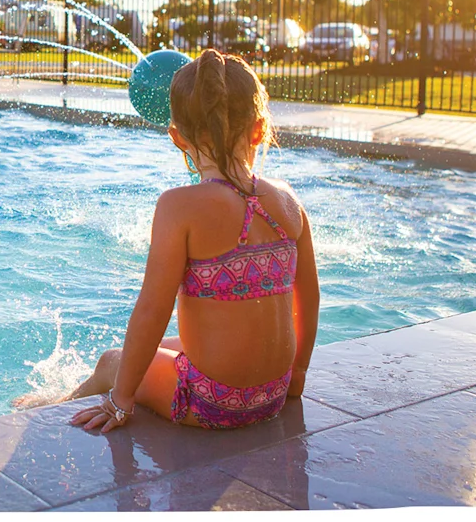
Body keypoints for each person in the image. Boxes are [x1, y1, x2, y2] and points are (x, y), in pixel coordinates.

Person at [53, 48, 320, 432]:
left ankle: (49, 410)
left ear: (178, 137)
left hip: (212, 404)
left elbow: (151, 311)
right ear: (259, 129)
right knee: (170, 346)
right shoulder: (287, 200)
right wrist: (298, 373)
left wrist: (123, 399)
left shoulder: (179, 207)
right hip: (274, 394)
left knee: (112, 361)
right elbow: (308, 296)